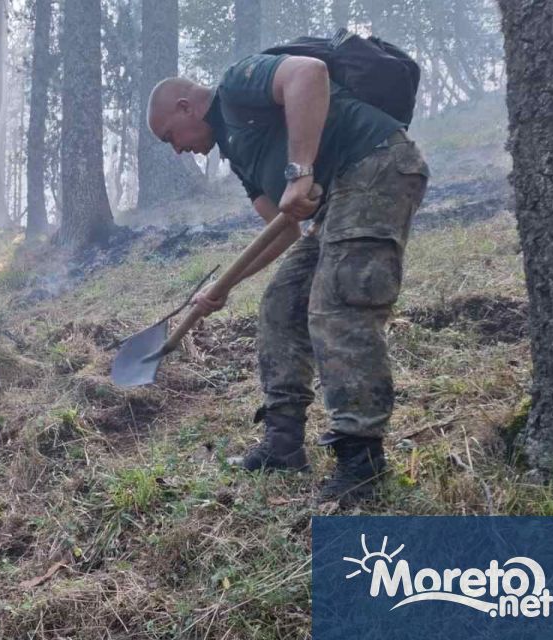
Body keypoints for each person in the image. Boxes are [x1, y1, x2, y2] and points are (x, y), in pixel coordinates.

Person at [146, 50, 429, 506]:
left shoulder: (237, 83)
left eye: (169, 137)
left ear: (185, 107)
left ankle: (361, 463)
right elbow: (283, 229)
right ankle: (283, 445)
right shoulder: (239, 155)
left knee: (339, 305)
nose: (177, 148)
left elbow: (307, 73)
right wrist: (222, 288)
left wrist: (300, 171)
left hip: (375, 165)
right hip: (336, 199)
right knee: (282, 306)